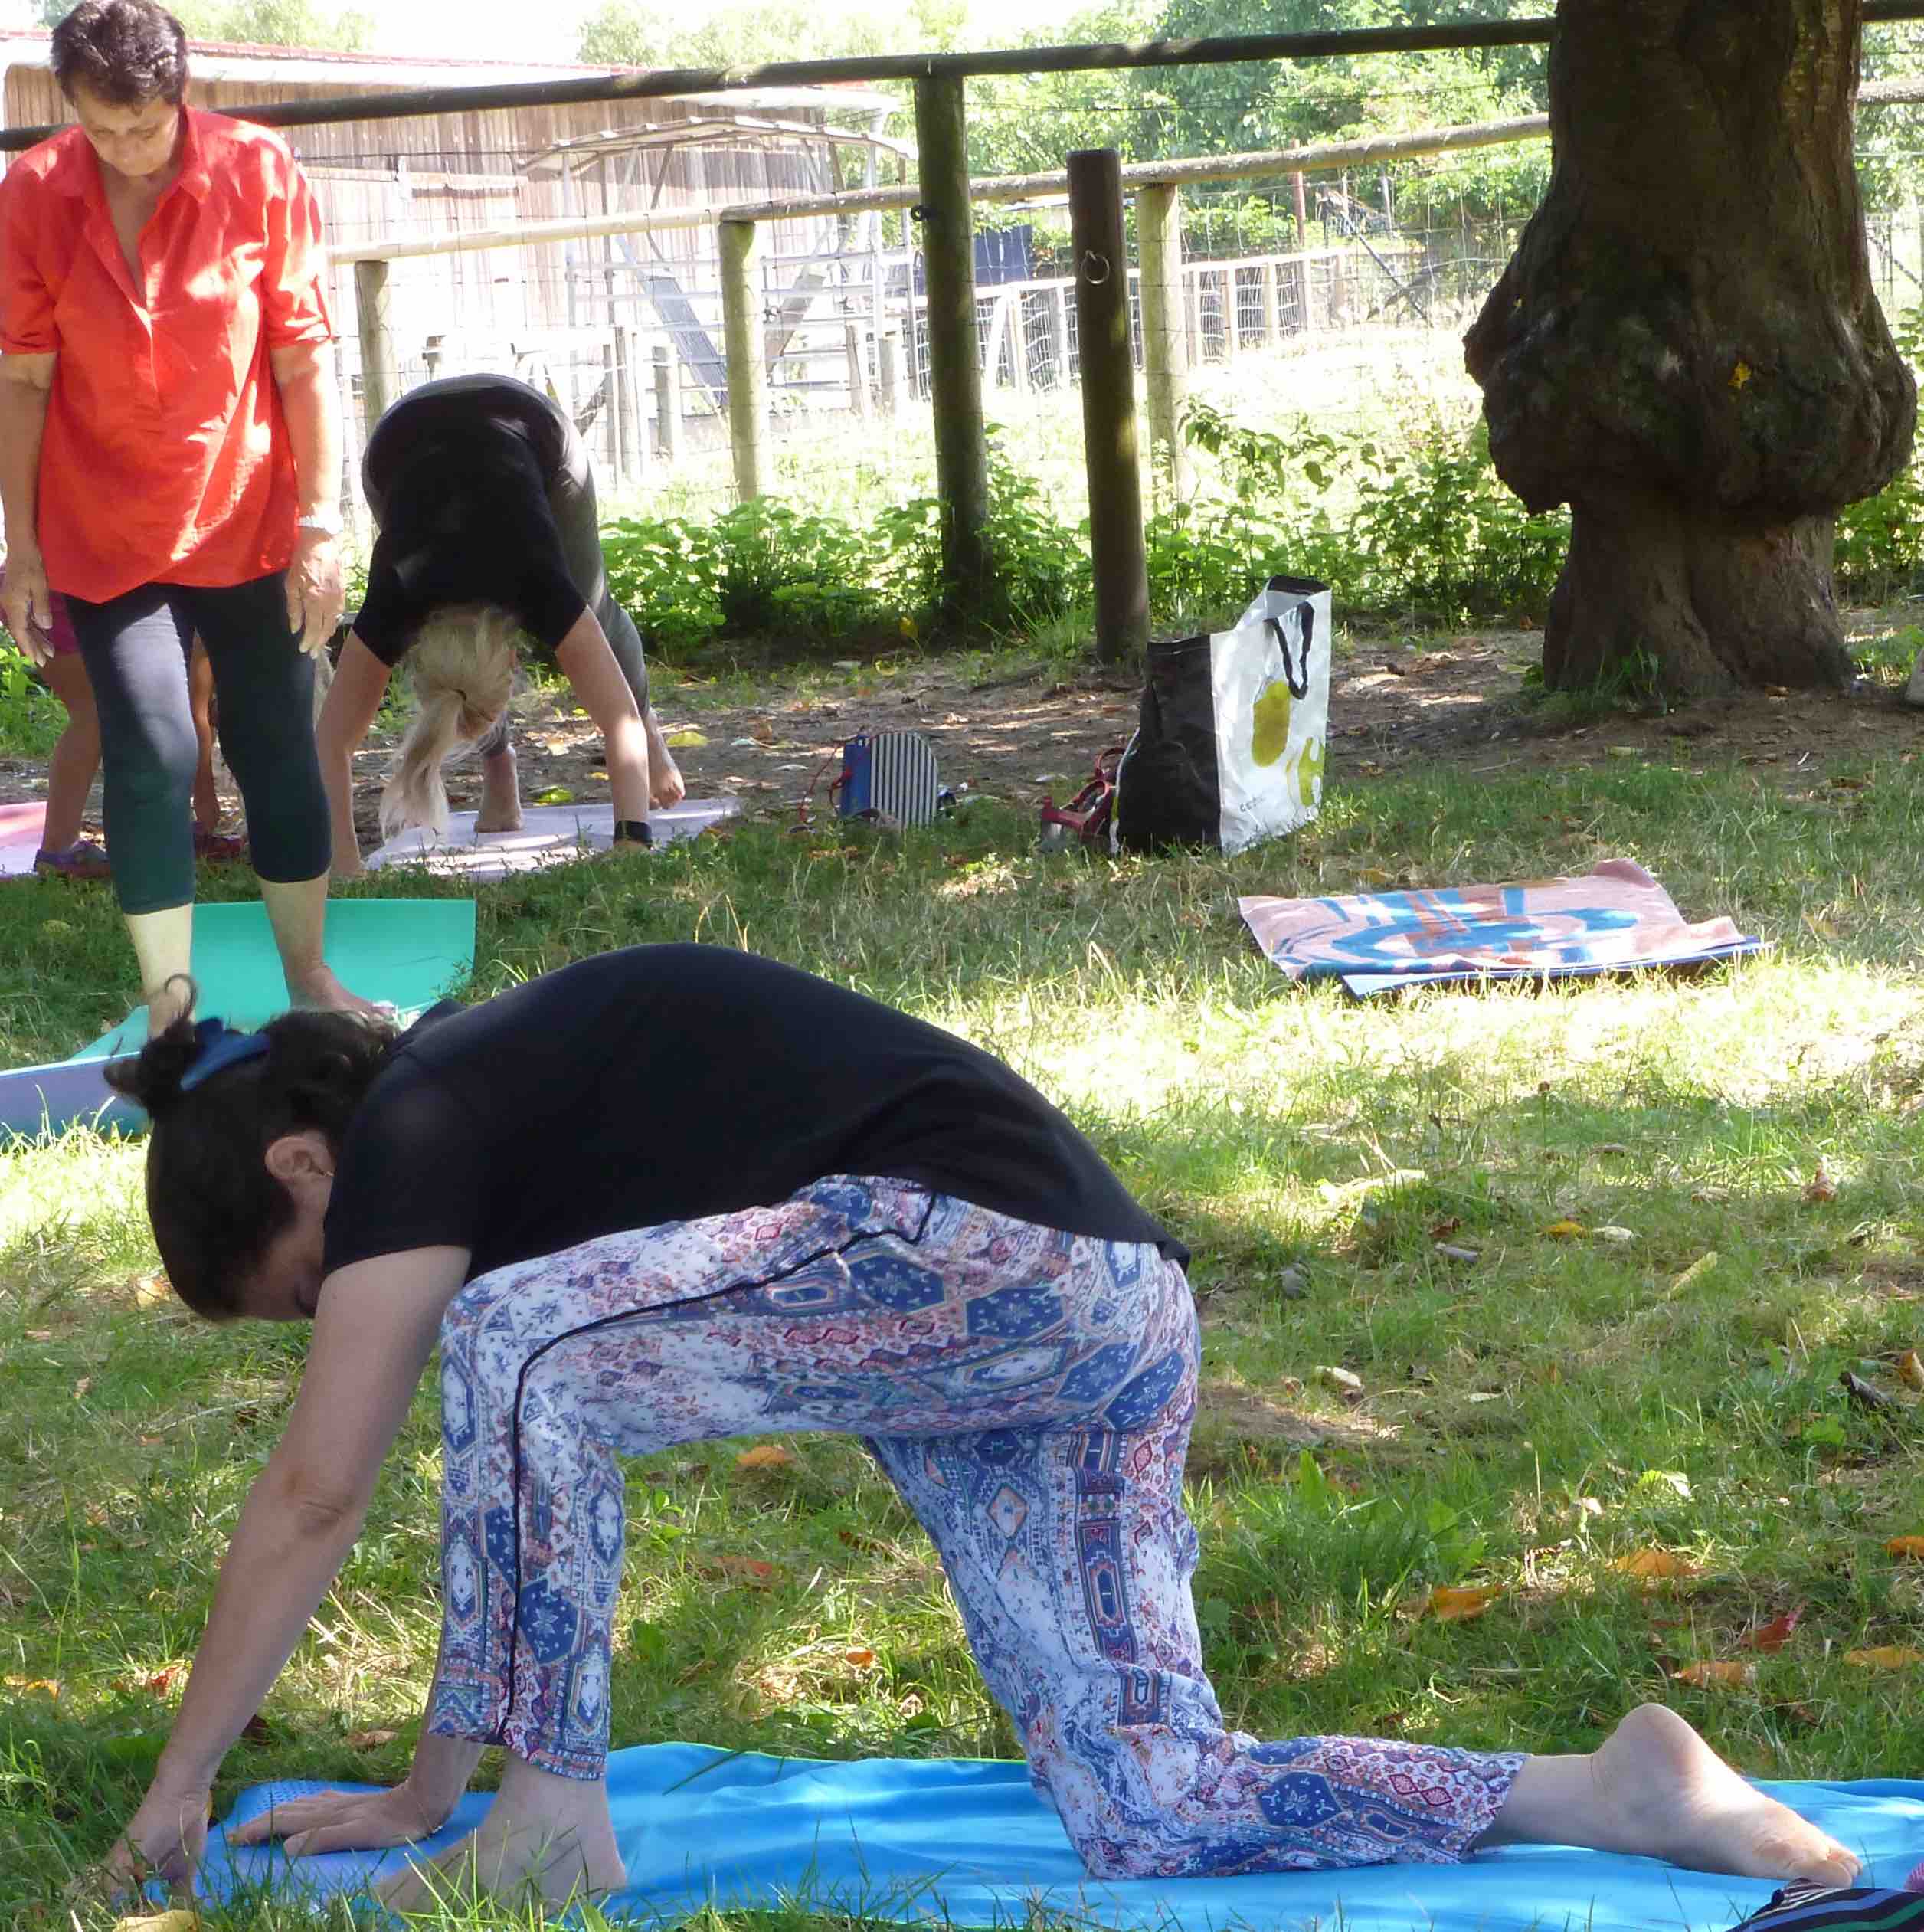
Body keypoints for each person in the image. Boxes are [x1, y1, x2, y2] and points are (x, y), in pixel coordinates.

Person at [97, 944, 1862, 1910]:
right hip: (1090, 1316)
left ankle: (550, 1826)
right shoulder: (499, 1117)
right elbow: (516, 1455)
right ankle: (1606, 1791)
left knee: (522, 1346)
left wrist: (174, 1792)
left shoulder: (420, 1118)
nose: (342, 1330)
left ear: (303, 1164)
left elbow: (324, 1486)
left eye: (309, 1289)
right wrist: (422, 1781)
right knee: (1154, 1809)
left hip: (971, 1261)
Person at [0, 0, 370, 1030]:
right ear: (67, 105)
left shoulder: (258, 172)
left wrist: (323, 520)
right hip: (101, 529)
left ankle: (311, 981)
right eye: (101, 130)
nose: (125, 152)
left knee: (274, 742)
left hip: (248, 516)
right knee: (153, 751)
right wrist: (19, 546)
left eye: (146, 129)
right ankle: (170, 1009)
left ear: (182, 94)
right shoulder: (31, 192)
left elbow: (302, 359)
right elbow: (24, 382)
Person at [314, 372, 685, 875]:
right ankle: (499, 769)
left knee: (594, 604)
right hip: (396, 447)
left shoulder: (537, 584)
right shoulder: (396, 593)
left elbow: (619, 720)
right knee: (508, 669)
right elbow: (330, 745)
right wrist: (344, 867)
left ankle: (655, 737)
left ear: (512, 663)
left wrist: (633, 843)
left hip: (530, 425)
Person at [4, 583, 240, 877]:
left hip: (43, 585)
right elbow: (194, 712)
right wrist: (205, 801)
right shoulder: (195, 612)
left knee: (96, 713)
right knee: (94, 713)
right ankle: (58, 849)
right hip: (57, 588)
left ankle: (65, 846)